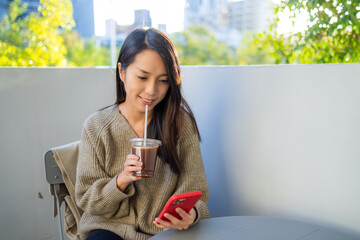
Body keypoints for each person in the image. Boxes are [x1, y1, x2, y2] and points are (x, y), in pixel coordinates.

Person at [75, 28, 210, 240]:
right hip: (109, 229)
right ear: (122, 72)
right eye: (142, 77)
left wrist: (191, 214)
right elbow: (86, 200)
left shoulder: (180, 125)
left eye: (163, 80)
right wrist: (121, 180)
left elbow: (196, 192)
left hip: (164, 232)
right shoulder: (96, 127)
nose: (151, 90)